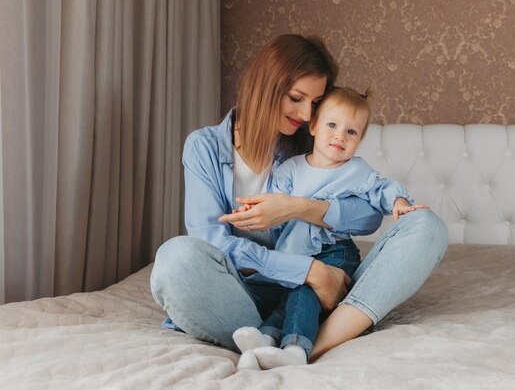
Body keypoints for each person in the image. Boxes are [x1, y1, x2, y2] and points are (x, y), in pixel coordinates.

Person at [149, 34, 448, 370]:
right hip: (243, 296)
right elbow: (209, 239)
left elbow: (367, 218)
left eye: (315, 103)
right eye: (296, 98)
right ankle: (285, 335)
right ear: (265, 87)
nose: (307, 113)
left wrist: (297, 207)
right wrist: (309, 272)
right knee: (175, 258)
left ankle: (309, 343)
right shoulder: (204, 146)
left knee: (426, 226)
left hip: (325, 296)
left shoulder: (313, 140)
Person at [232, 87, 430, 370]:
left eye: (351, 132)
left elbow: (381, 189)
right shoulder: (291, 168)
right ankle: (266, 338)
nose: (340, 136)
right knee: (286, 295)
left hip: (335, 250)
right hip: (296, 250)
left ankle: (296, 350)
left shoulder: (355, 170)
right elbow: (273, 202)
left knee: (304, 290)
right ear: (313, 126)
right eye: (332, 125)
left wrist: (398, 201)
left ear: (359, 140)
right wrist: (251, 211)